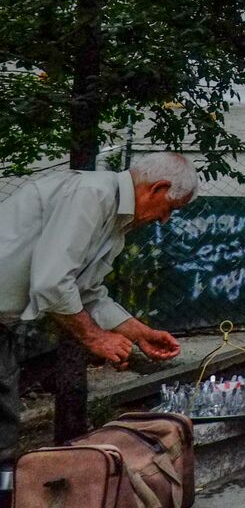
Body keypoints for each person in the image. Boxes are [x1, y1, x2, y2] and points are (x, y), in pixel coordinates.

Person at [1, 153, 199, 500]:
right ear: (158, 188)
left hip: (3, 326)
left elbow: (87, 292)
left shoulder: (113, 218)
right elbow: (51, 285)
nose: (165, 220)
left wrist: (138, 332)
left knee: (3, 432)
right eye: (171, 208)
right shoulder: (92, 195)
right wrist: (95, 337)